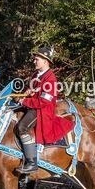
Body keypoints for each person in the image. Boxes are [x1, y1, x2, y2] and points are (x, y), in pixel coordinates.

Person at [15, 46, 74, 180]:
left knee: (21, 128)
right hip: (32, 106)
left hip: (42, 111)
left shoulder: (51, 79)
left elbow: (43, 102)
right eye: (35, 59)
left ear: (45, 61)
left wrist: (24, 101)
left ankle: (31, 162)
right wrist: (25, 93)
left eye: (37, 59)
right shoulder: (36, 75)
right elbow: (33, 90)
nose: (34, 61)